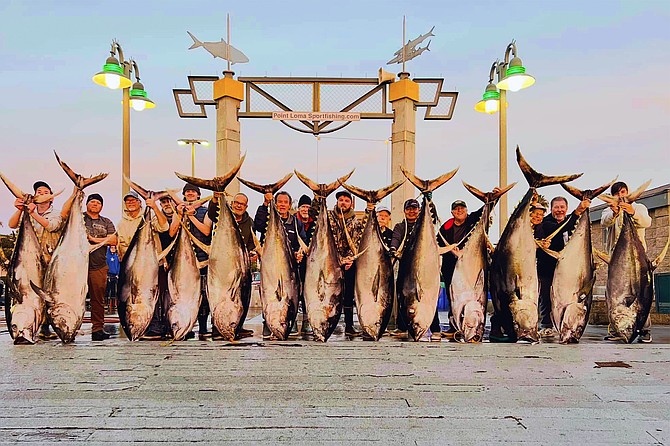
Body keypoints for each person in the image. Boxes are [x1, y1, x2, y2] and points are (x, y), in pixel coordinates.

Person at [8, 180, 76, 339]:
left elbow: (52, 226)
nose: (42, 194)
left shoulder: (57, 213)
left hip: (51, 259)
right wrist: (20, 209)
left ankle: (49, 326)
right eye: (39, 192)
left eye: (46, 192)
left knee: (50, 293)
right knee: (34, 291)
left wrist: (33, 213)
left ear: (52, 198)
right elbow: (12, 225)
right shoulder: (28, 211)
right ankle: (42, 325)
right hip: (29, 260)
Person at [601, 181, 653, 343]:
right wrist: (615, 213)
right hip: (616, 262)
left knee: (640, 293)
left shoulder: (639, 207)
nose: (621, 195)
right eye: (617, 193)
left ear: (627, 192)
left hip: (637, 261)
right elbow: (604, 222)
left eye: (623, 192)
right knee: (614, 295)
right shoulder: (608, 210)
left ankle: (644, 330)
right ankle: (618, 329)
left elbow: (646, 222)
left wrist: (631, 212)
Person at [254, 190, 307, 337]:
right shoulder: (268, 218)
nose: (282, 205)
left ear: (290, 205)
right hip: (269, 266)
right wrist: (265, 203)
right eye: (280, 202)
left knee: (291, 293)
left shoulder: (296, 223)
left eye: (285, 202)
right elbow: (258, 224)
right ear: (275, 204)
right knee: (267, 292)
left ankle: (290, 320)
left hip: (289, 267)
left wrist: (300, 252)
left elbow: (303, 241)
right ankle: (267, 321)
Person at [535, 195, 590, 338]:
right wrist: (578, 212)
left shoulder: (572, 221)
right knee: (546, 296)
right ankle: (546, 325)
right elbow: (561, 228)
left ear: (566, 208)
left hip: (567, 269)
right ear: (552, 209)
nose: (559, 210)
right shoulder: (545, 223)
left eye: (562, 207)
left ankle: (564, 323)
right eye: (556, 207)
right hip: (547, 267)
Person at [206, 192, 257, 339]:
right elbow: (212, 213)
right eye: (236, 203)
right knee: (219, 294)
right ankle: (217, 328)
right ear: (232, 203)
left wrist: (252, 255)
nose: (239, 206)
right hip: (222, 264)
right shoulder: (223, 216)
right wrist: (216, 198)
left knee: (243, 295)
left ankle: (237, 326)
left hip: (239, 267)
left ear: (246, 206)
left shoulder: (249, 222)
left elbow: (250, 244)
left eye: (242, 204)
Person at [169, 184, 211, 339]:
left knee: (203, 295)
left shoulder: (205, 212)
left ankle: (203, 327)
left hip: (202, 260)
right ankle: (185, 325)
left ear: (199, 195)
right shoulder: (177, 211)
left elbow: (206, 231)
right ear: (184, 195)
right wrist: (180, 215)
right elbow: (172, 232)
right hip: (181, 262)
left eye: (193, 191)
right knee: (183, 294)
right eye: (187, 192)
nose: (190, 193)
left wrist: (191, 216)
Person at [326, 190, 364, 337]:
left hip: (348, 263)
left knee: (348, 296)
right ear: (337, 202)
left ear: (351, 203)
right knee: (329, 294)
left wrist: (349, 259)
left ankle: (349, 326)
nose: (343, 202)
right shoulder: (328, 217)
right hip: (330, 262)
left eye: (346, 200)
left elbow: (357, 242)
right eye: (341, 200)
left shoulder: (356, 222)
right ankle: (327, 323)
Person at [389, 198, 426, 338]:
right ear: (404, 211)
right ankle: (402, 326)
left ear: (419, 210)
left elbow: (433, 217)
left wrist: (428, 200)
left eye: (414, 209)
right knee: (402, 294)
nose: (411, 211)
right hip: (405, 264)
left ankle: (434, 327)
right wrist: (393, 248)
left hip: (422, 266)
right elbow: (396, 238)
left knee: (426, 295)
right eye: (409, 209)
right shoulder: (400, 226)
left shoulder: (423, 225)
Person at [83, 193, 117, 341]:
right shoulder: (78, 218)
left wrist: (92, 239)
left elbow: (114, 240)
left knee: (98, 299)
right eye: (92, 201)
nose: (95, 204)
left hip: (98, 265)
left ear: (101, 206)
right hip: (77, 266)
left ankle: (97, 328)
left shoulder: (107, 222)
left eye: (98, 202)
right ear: (86, 204)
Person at [116, 190, 168, 262]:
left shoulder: (150, 216)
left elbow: (164, 227)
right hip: (130, 264)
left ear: (139, 202)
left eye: (133, 200)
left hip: (151, 262)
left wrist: (155, 207)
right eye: (128, 201)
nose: (130, 202)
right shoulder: (121, 224)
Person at [105, 245, 120, 314]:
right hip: (109, 274)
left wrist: (118, 273)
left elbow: (118, 265)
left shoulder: (117, 256)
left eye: (114, 248)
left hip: (115, 275)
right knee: (107, 289)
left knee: (114, 290)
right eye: (111, 248)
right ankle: (106, 303)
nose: (113, 249)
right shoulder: (107, 256)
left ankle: (113, 305)